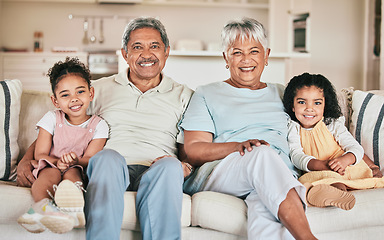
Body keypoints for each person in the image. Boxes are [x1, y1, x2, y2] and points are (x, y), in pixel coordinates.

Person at [16, 17, 193, 240]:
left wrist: (184, 165)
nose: (146, 54)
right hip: (110, 168)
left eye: (154, 46)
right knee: (108, 157)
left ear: (166, 51)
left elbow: (191, 148)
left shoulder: (184, 95)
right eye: (137, 47)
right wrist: (25, 160)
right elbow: (61, 124)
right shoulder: (97, 89)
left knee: (170, 166)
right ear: (125, 53)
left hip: (158, 169)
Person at [180, 17, 317, 240]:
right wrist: (237, 147)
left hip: (276, 174)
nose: (246, 60)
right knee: (262, 153)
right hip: (222, 171)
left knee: (267, 210)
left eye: (254, 51)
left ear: (266, 55)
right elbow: (194, 150)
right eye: (237, 52)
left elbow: (322, 128)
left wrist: (361, 161)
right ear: (226, 57)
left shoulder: (284, 94)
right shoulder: (207, 93)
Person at [17, 57, 109, 233]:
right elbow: (40, 154)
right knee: (50, 173)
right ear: (55, 101)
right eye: (65, 95)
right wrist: (57, 162)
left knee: (73, 175)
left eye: (80, 92)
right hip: (50, 164)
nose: (74, 99)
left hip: (76, 167)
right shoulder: (51, 118)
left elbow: (90, 159)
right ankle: (42, 208)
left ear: (91, 93)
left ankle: (73, 210)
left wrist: (75, 160)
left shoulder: (99, 125)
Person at [283, 72, 384, 210]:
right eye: (302, 102)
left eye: (317, 103)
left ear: (325, 106)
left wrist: (345, 160)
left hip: (344, 168)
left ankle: (339, 194)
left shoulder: (332, 124)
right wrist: (318, 164)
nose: (309, 108)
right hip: (318, 170)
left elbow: (355, 147)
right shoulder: (293, 128)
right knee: (321, 181)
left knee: (337, 181)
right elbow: (296, 155)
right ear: (292, 106)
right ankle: (329, 194)